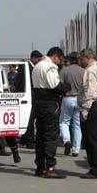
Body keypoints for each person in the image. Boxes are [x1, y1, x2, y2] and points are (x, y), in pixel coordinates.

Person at [31, 47, 69, 178]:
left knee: (40, 136)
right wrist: (66, 88)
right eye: (60, 59)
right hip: (49, 104)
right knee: (51, 135)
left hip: (37, 103)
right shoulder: (50, 67)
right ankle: (50, 167)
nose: (59, 63)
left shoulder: (37, 66)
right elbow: (55, 85)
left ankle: (40, 166)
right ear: (55, 56)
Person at [78, 48, 97, 179]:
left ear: (86, 57)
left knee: (92, 139)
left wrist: (85, 111)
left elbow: (90, 92)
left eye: (81, 58)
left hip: (94, 106)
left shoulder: (90, 71)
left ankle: (95, 169)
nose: (81, 61)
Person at [58, 52, 84, 157]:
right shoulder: (83, 71)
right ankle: (76, 149)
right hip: (79, 99)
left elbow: (59, 84)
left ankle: (67, 140)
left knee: (64, 122)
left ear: (69, 61)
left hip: (68, 98)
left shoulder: (65, 71)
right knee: (77, 125)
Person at [19, 50, 43, 149]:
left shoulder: (33, 68)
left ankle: (25, 139)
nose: (39, 61)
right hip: (28, 97)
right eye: (38, 59)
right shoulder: (26, 67)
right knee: (29, 119)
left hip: (31, 96)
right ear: (33, 58)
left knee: (29, 119)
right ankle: (30, 141)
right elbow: (20, 82)